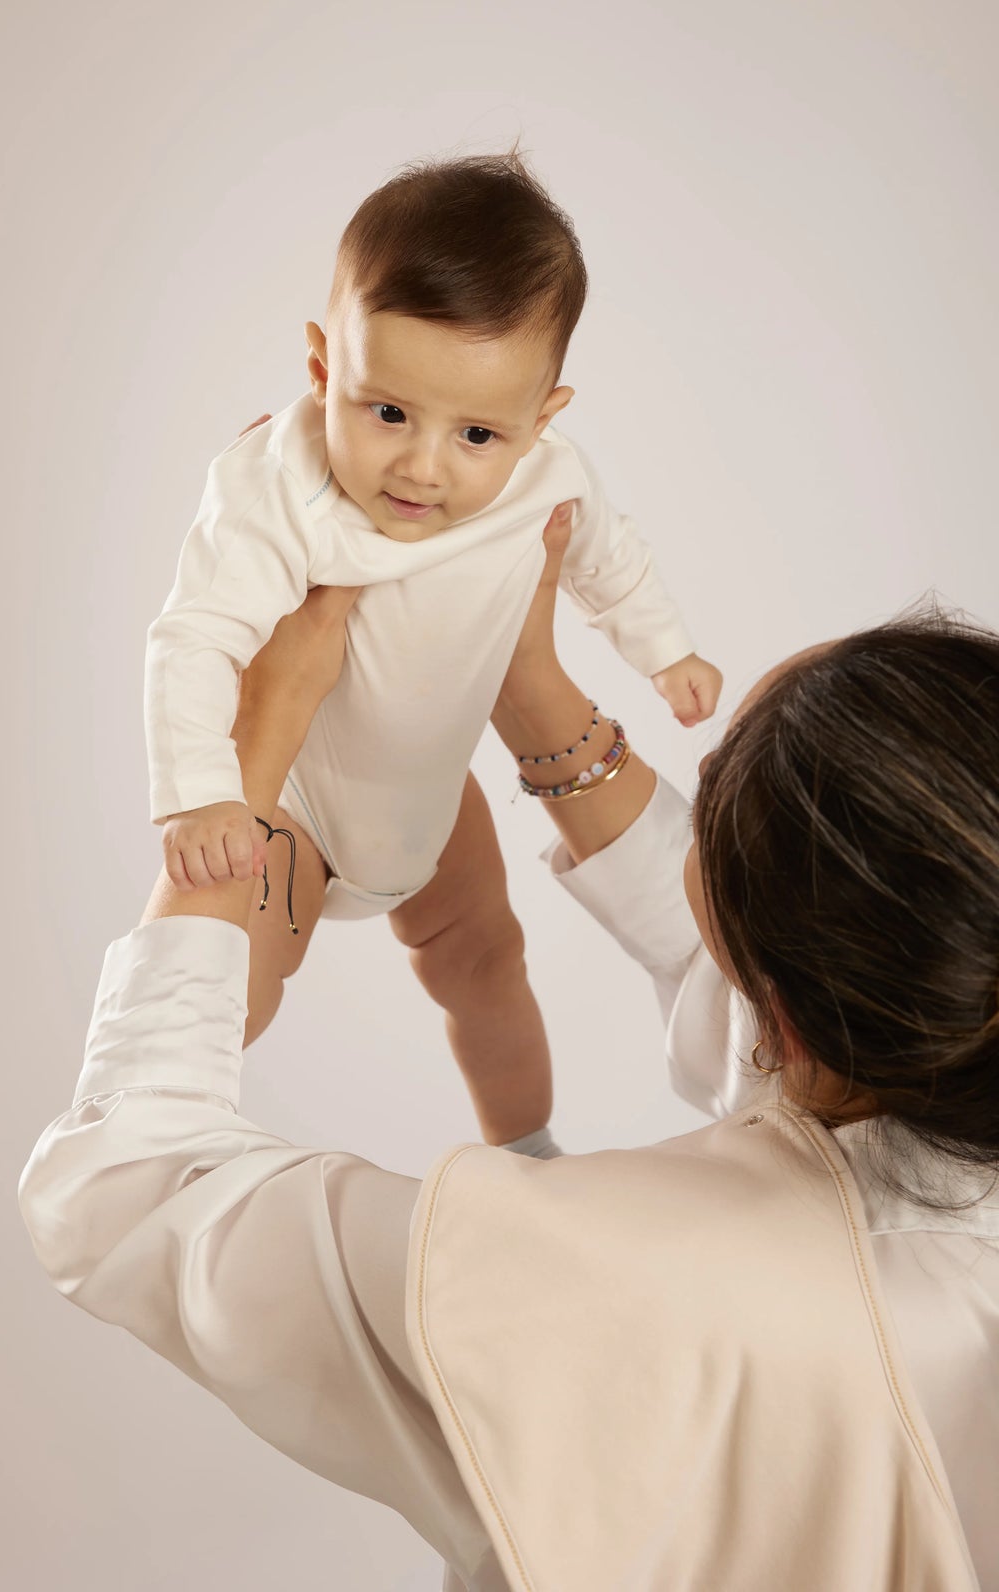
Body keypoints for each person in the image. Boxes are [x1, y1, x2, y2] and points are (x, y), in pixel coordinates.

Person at [19, 508, 999, 1590]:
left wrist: (243, 771)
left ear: (788, 1017)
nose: (701, 770)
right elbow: (807, 982)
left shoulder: (590, 1284)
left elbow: (122, 1192)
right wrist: (529, 684)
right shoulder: (939, 1057)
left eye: (715, 782)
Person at [143, 148, 721, 1162]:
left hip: (431, 801)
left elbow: (607, 560)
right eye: (388, 412)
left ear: (543, 421)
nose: (422, 467)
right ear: (324, 369)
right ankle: (156, 1131)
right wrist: (202, 793)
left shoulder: (549, 480)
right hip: (299, 812)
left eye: (477, 437)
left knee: (489, 963)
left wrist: (664, 652)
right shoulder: (274, 485)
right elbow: (194, 635)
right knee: (242, 986)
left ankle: (528, 1154)